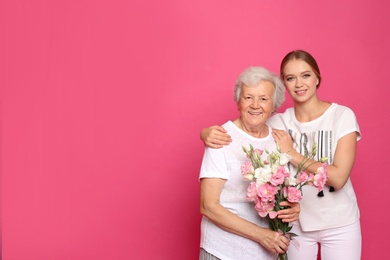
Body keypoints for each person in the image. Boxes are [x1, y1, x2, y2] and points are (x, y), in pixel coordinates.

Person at [200, 50, 362, 260]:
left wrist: (292, 153)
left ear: (317, 78)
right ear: (284, 84)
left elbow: (339, 178)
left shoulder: (341, 116)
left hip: (339, 220)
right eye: (290, 78)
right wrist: (206, 134)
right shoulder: (277, 122)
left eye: (305, 75)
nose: (299, 84)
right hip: (297, 224)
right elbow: (246, 123)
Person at [199, 66, 300, 260]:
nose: (255, 105)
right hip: (222, 251)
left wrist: (292, 208)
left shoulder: (279, 141)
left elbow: (282, 194)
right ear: (238, 102)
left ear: (274, 106)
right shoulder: (221, 138)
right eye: (248, 97)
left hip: (266, 253)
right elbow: (208, 206)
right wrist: (261, 235)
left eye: (263, 99)